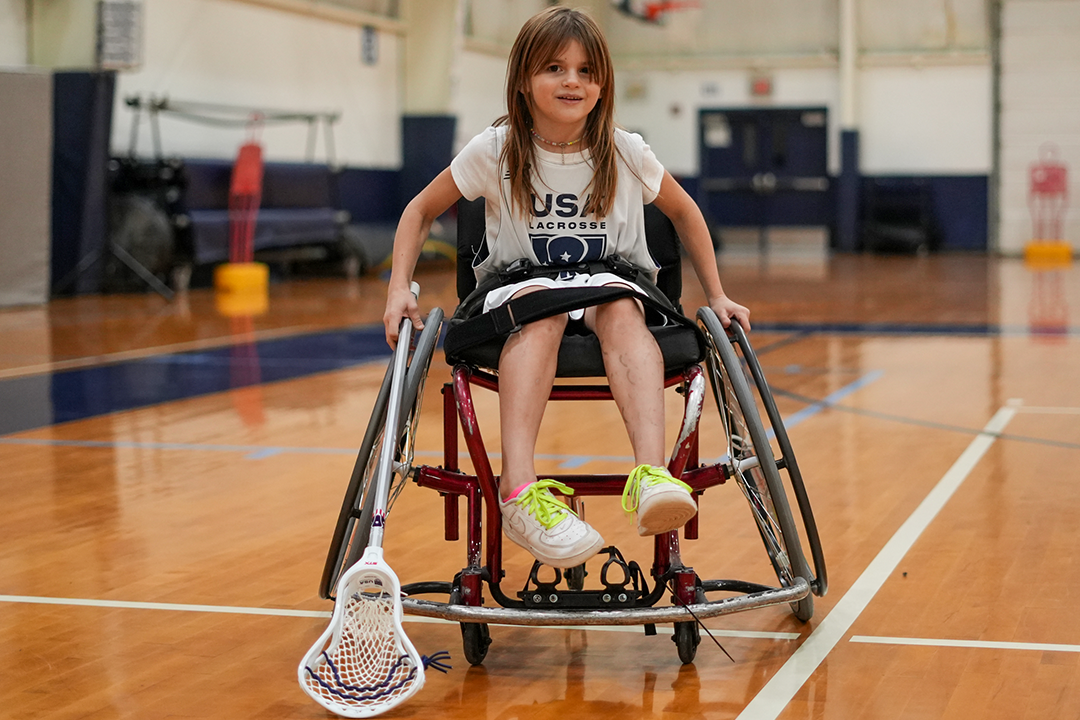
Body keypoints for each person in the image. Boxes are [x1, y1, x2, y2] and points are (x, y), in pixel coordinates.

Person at [383, 6, 750, 569]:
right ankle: (519, 493)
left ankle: (651, 475)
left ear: (602, 84)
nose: (572, 81)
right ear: (524, 82)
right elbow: (418, 210)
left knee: (623, 310)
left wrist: (718, 294)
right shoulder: (496, 150)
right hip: (524, 287)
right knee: (542, 312)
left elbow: (685, 211)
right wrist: (397, 290)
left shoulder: (626, 151)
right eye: (554, 68)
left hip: (611, 281)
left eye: (585, 70)